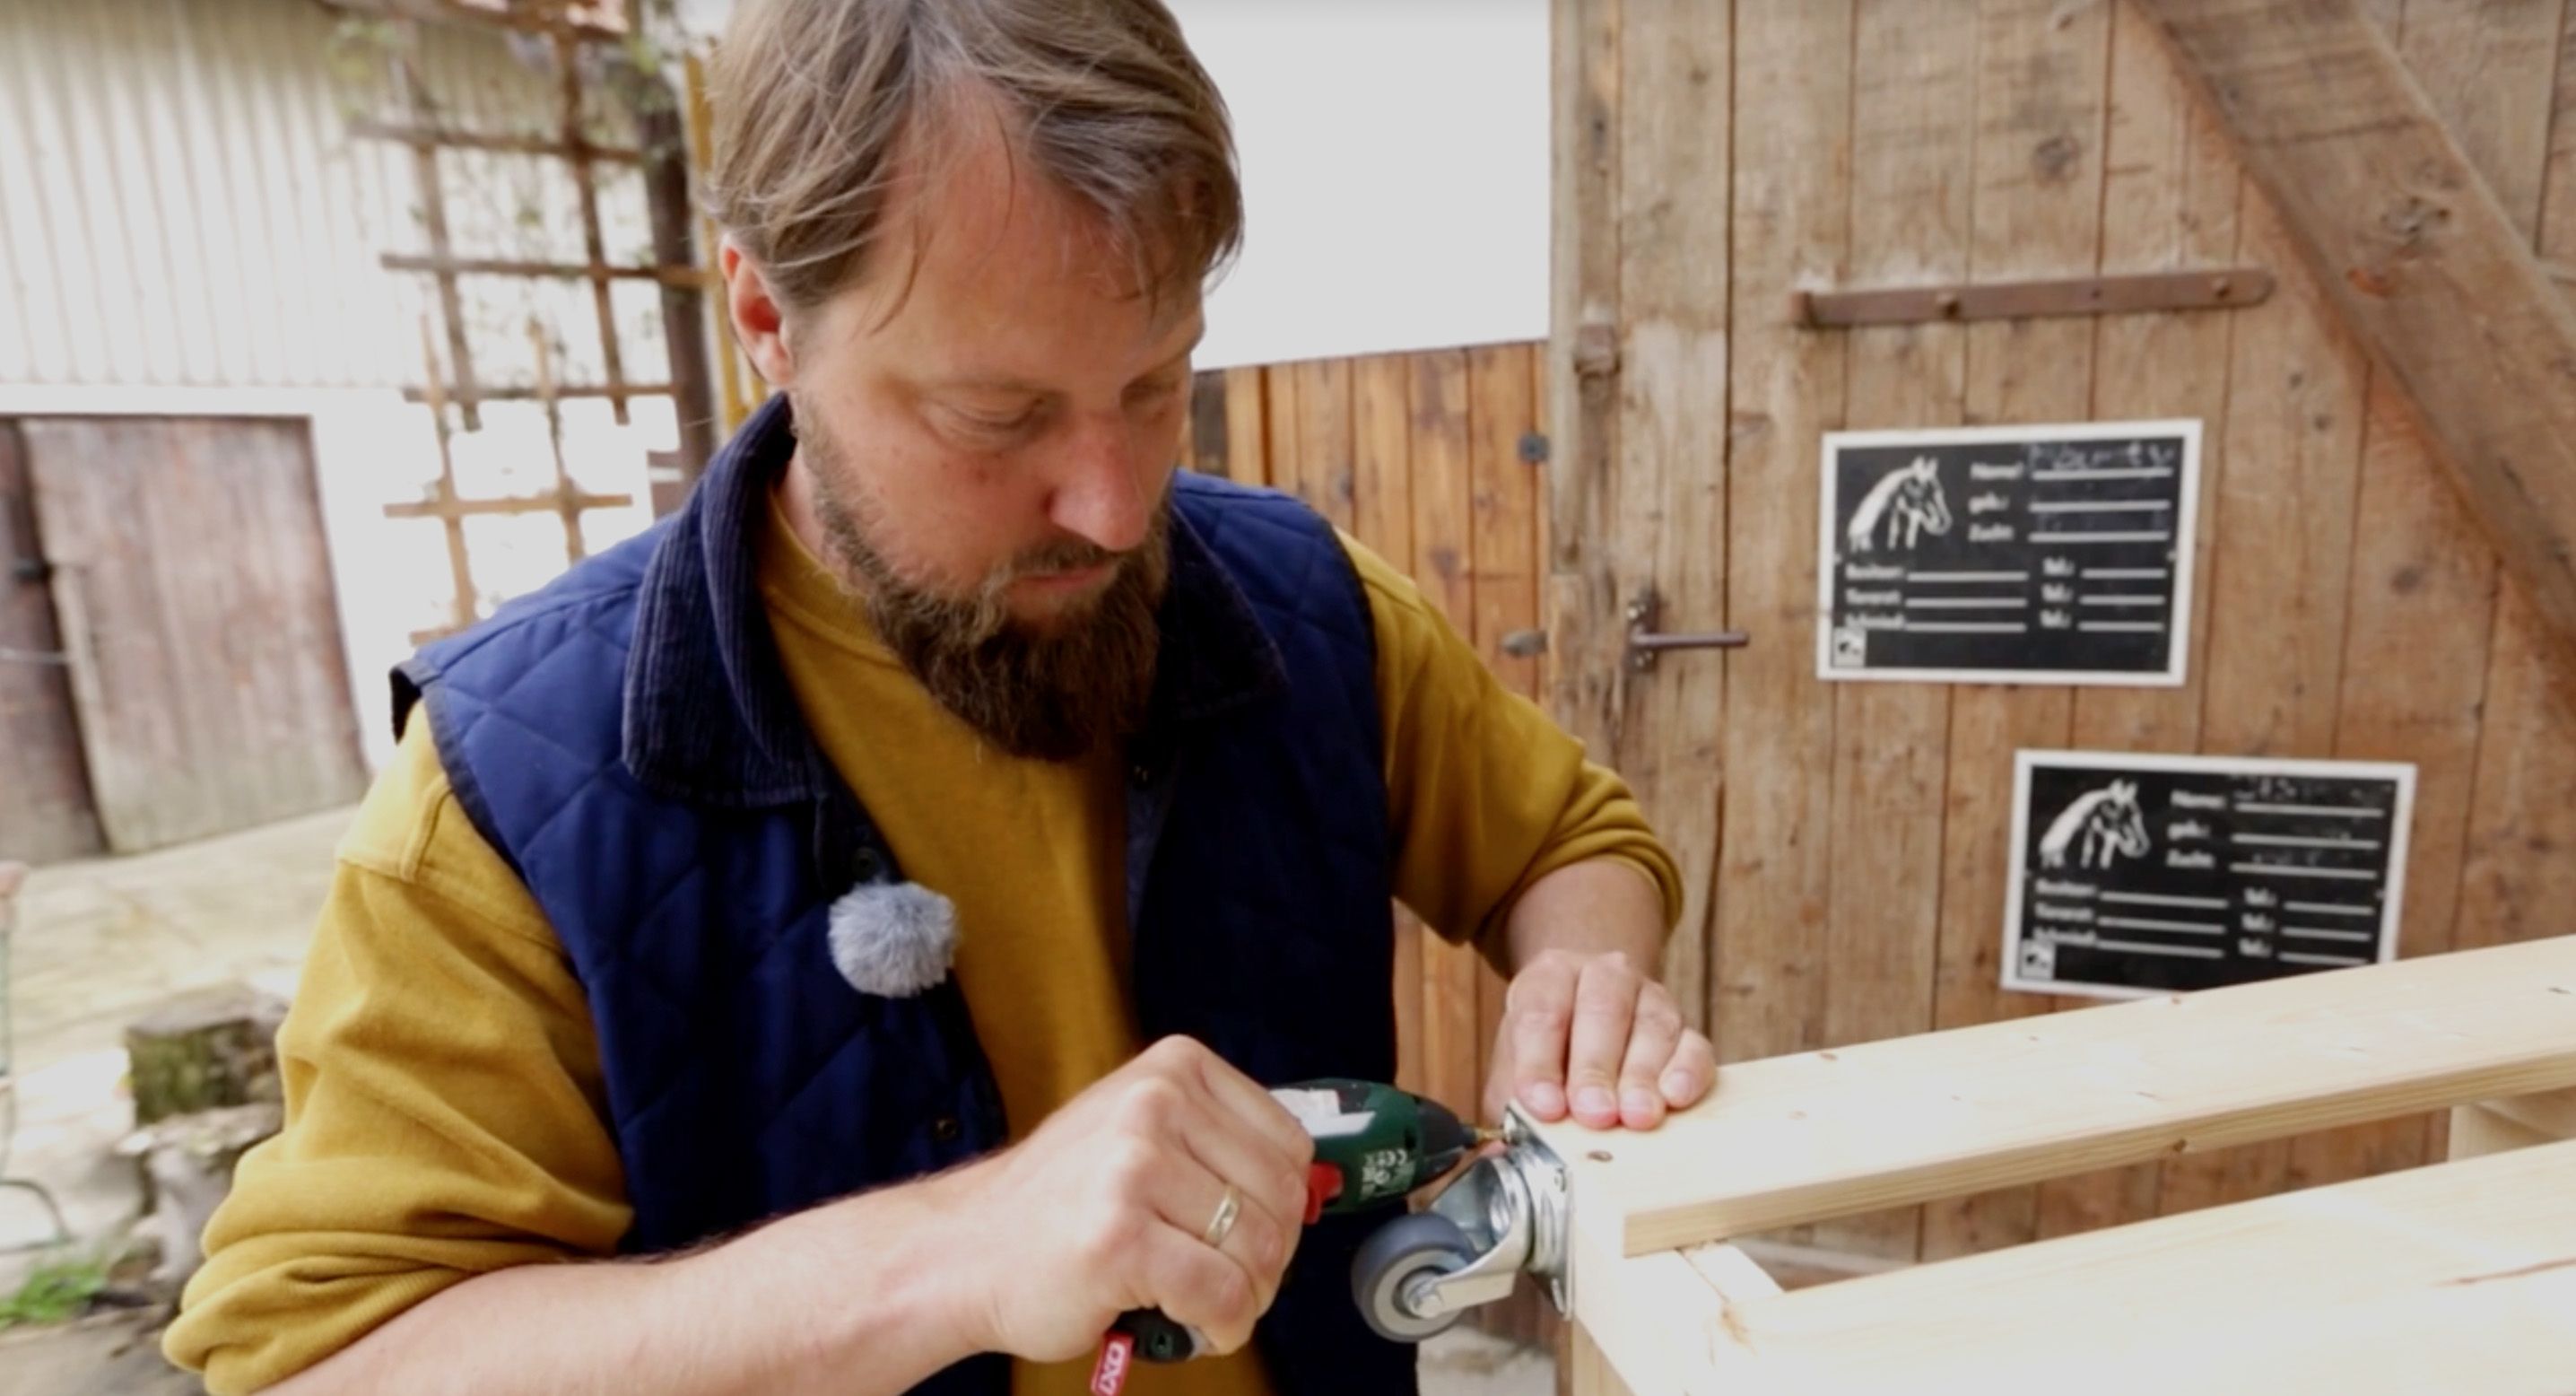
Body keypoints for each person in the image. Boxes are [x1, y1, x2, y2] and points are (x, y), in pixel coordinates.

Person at [163, 2, 1714, 1392]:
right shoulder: (515, 783)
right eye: (1000, 412)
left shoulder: (1304, 607)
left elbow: (1570, 842)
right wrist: (953, 1256)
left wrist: (1584, 981)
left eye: (1156, 383)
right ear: (767, 321)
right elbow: (318, 1357)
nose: (1114, 508)